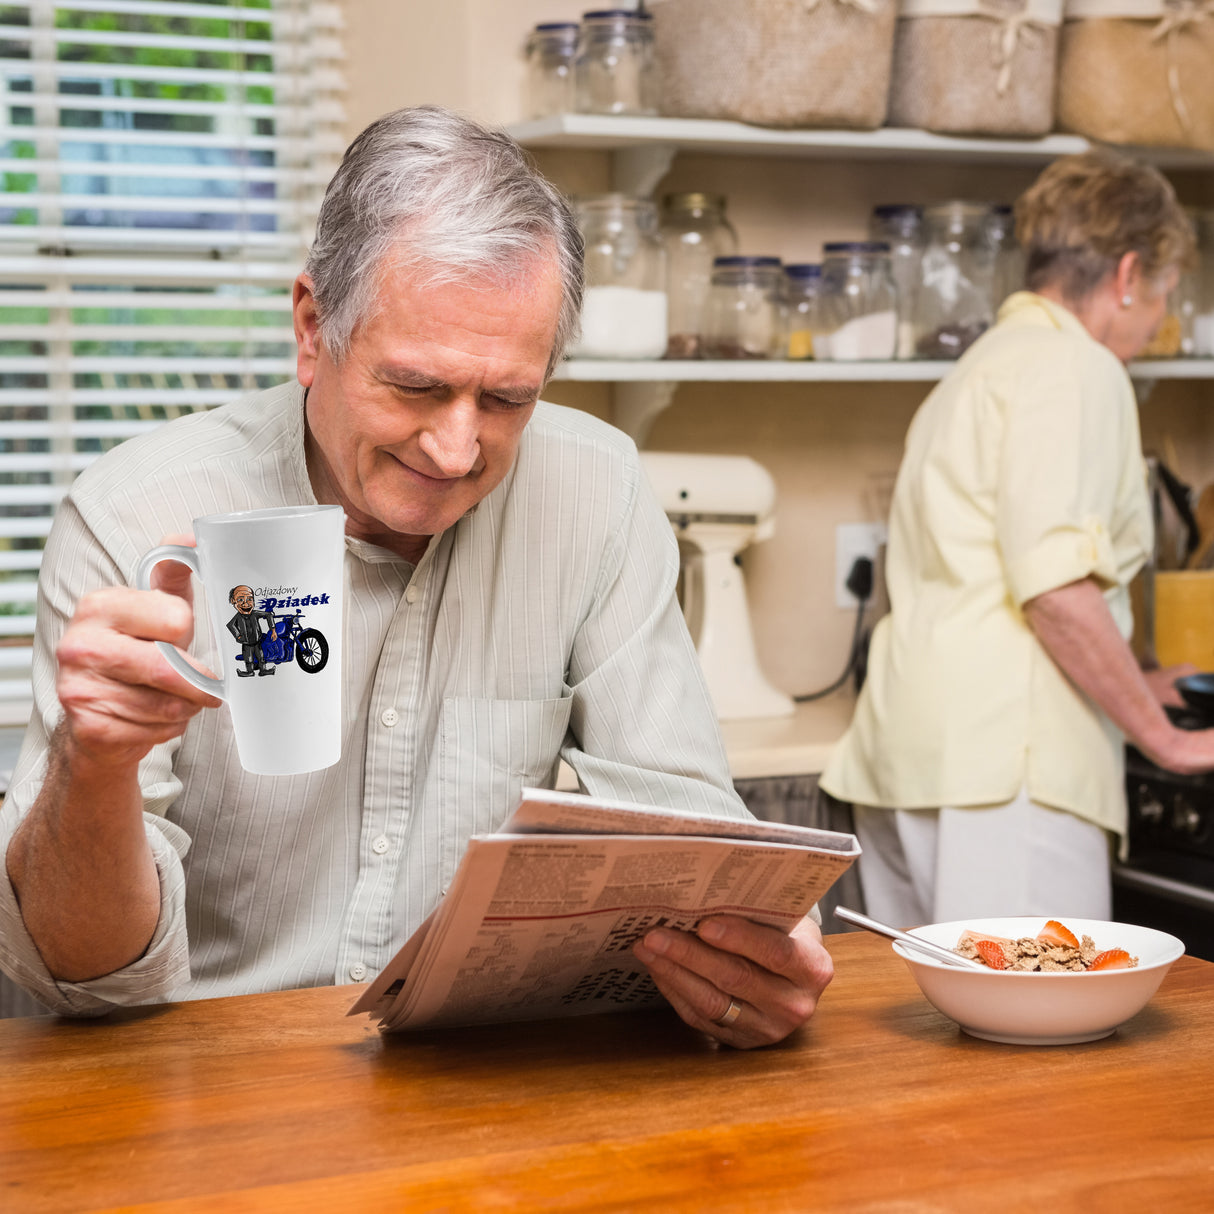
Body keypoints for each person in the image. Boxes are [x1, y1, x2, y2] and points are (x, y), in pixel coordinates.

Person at [0, 106, 832, 1045]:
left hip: (468, 1073)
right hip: (199, 1076)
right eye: (417, 386)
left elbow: (688, 832)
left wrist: (748, 951)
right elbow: (79, 974)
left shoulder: (597, 488)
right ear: (314, 329)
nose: (456, 447)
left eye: (509, 398)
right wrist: (94, 763)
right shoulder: (135, 513)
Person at [821, 150, 1214, 926]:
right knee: (1041, 1035)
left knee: (933, 1033)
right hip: (1008, 773)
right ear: (1130, 273)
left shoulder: (978, 369)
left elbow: (990, 566)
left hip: (911, 757)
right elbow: (1054, 588)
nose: (1159, 320)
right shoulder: (1078, 366)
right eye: (1163, 295)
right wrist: (1166, 739)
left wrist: (1141, 679)